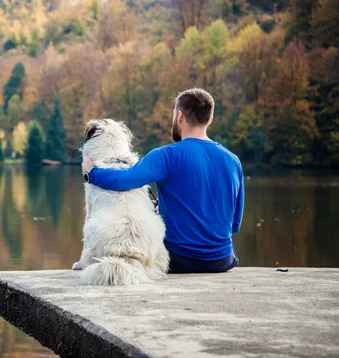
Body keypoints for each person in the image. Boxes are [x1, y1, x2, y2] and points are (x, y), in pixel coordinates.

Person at [82, 88, 244, 274]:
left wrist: (91, 172)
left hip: (179, 260)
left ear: (180, 117)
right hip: (222, 261)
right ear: (210, 119)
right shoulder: (233, 160)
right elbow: (235, 224)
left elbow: (123, 180)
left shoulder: (166, 155)